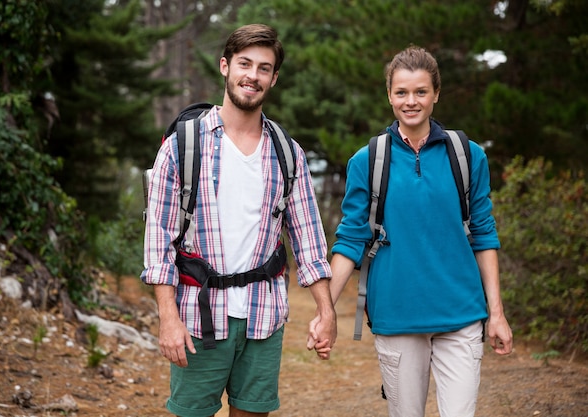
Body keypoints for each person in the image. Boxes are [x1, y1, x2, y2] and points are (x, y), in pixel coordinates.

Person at [141, 24, 337, 417]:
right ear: (225, 66)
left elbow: (309, 240)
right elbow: (158, 243)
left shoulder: (288, 153)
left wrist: (326, 311)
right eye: (244, 64)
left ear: (274, 79)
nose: (253, 75)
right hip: (199, 316)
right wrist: (168, 318)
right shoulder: (184, 145)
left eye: (264, 68)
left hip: (264, 316)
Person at [311, 45, 513, 417]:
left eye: (421, 91)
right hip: (396, 316)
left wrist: (496, 313)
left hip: (462, 314)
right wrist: (328, 311)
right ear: (389, 95)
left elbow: (483, 234)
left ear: (436, 94)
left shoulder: (468, 156)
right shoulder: (368, 160)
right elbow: (352, 237)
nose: (411, 101)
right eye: (401, 92)